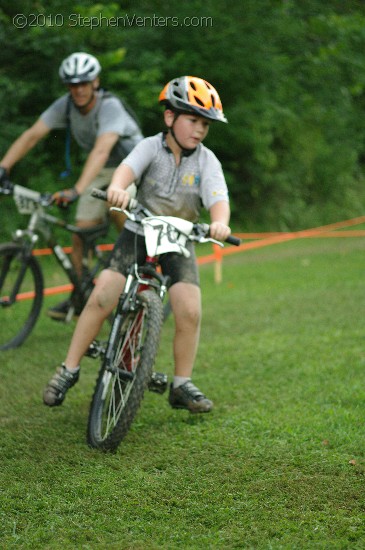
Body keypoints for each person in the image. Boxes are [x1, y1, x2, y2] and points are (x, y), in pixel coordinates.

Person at [43, 75, 231, 413]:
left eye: (205, 124)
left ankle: (181, 383)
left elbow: (218, 198)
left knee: (190, 309)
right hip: (139, 230)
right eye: (192, 120)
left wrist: (219, 223)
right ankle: (68, 369)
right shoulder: (149, 146)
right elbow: (126, 171)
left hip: (179, 238)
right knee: (102, 295)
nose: (199, 130)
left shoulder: (207, 160)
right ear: (170, 117)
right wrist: (117, 188)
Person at [0, 52, 143, 320]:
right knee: (80, 233)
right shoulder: (65, 106)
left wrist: (77, 189)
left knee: (116, 206)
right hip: (102, 170)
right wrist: (3, 167)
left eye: (83, 83)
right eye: (72, 85)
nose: (78, 90)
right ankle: (81, 295)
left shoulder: (110, 106)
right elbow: (32, 135)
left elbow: (101, 150)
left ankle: (136, 259)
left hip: (132, 166)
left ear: (95, 82)